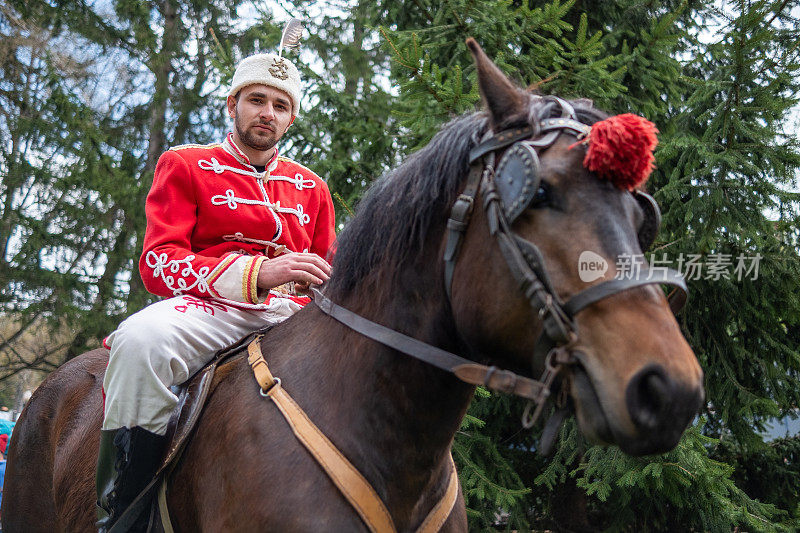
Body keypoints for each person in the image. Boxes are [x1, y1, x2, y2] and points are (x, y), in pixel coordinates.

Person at [95, 50, 336, 531]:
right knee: (141, 342)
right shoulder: (185, 165)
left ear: (291, 118)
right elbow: (157, 262)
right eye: (256, 99)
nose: (268, 113)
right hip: (206, 308)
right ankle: (121, 510)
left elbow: (328, 273)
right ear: (233, 104)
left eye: (281, 106)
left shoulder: (312, 189)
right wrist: (255, 273)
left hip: (293, 316)